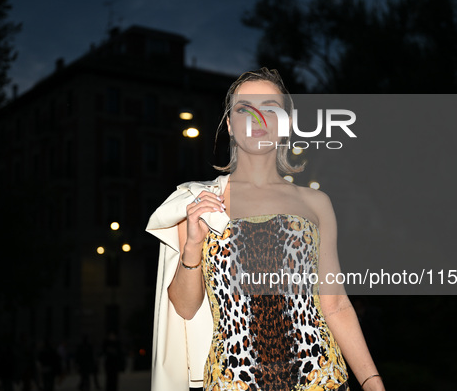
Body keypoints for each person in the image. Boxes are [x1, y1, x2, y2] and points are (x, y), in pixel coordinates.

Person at [146, 68, 384, 391]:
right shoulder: (198, 201)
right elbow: (185, 308)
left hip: (319, 379)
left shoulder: (316, 204)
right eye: (245, 109)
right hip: (235, 382)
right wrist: (191, 247)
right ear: (230, 125)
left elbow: (336, 305)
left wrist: (372, 382)